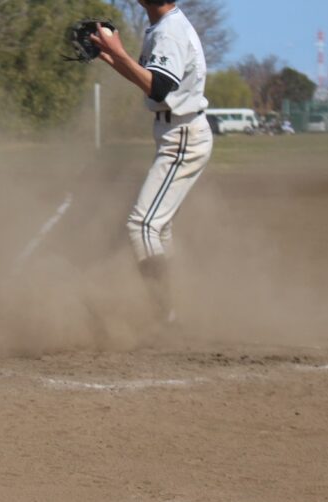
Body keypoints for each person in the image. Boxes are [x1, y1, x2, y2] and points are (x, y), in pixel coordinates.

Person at [88, 0, 213, 325]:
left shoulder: (169, 31)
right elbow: (149, 80)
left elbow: (158, 89)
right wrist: (110, 56)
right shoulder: (164, 26)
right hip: (177, 132)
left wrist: (120, 52)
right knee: (159, 227)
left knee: (142, 225)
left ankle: (164, 312)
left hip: (183, 134)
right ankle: (174, 310)